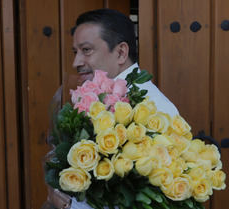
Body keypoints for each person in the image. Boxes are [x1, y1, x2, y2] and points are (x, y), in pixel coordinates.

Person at [45, 8, 179, 209]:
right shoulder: (101, 97)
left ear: (120, 52)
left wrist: (68, 207)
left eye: (86, 50)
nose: (76, 62)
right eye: (75, 52)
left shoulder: (152, 110)